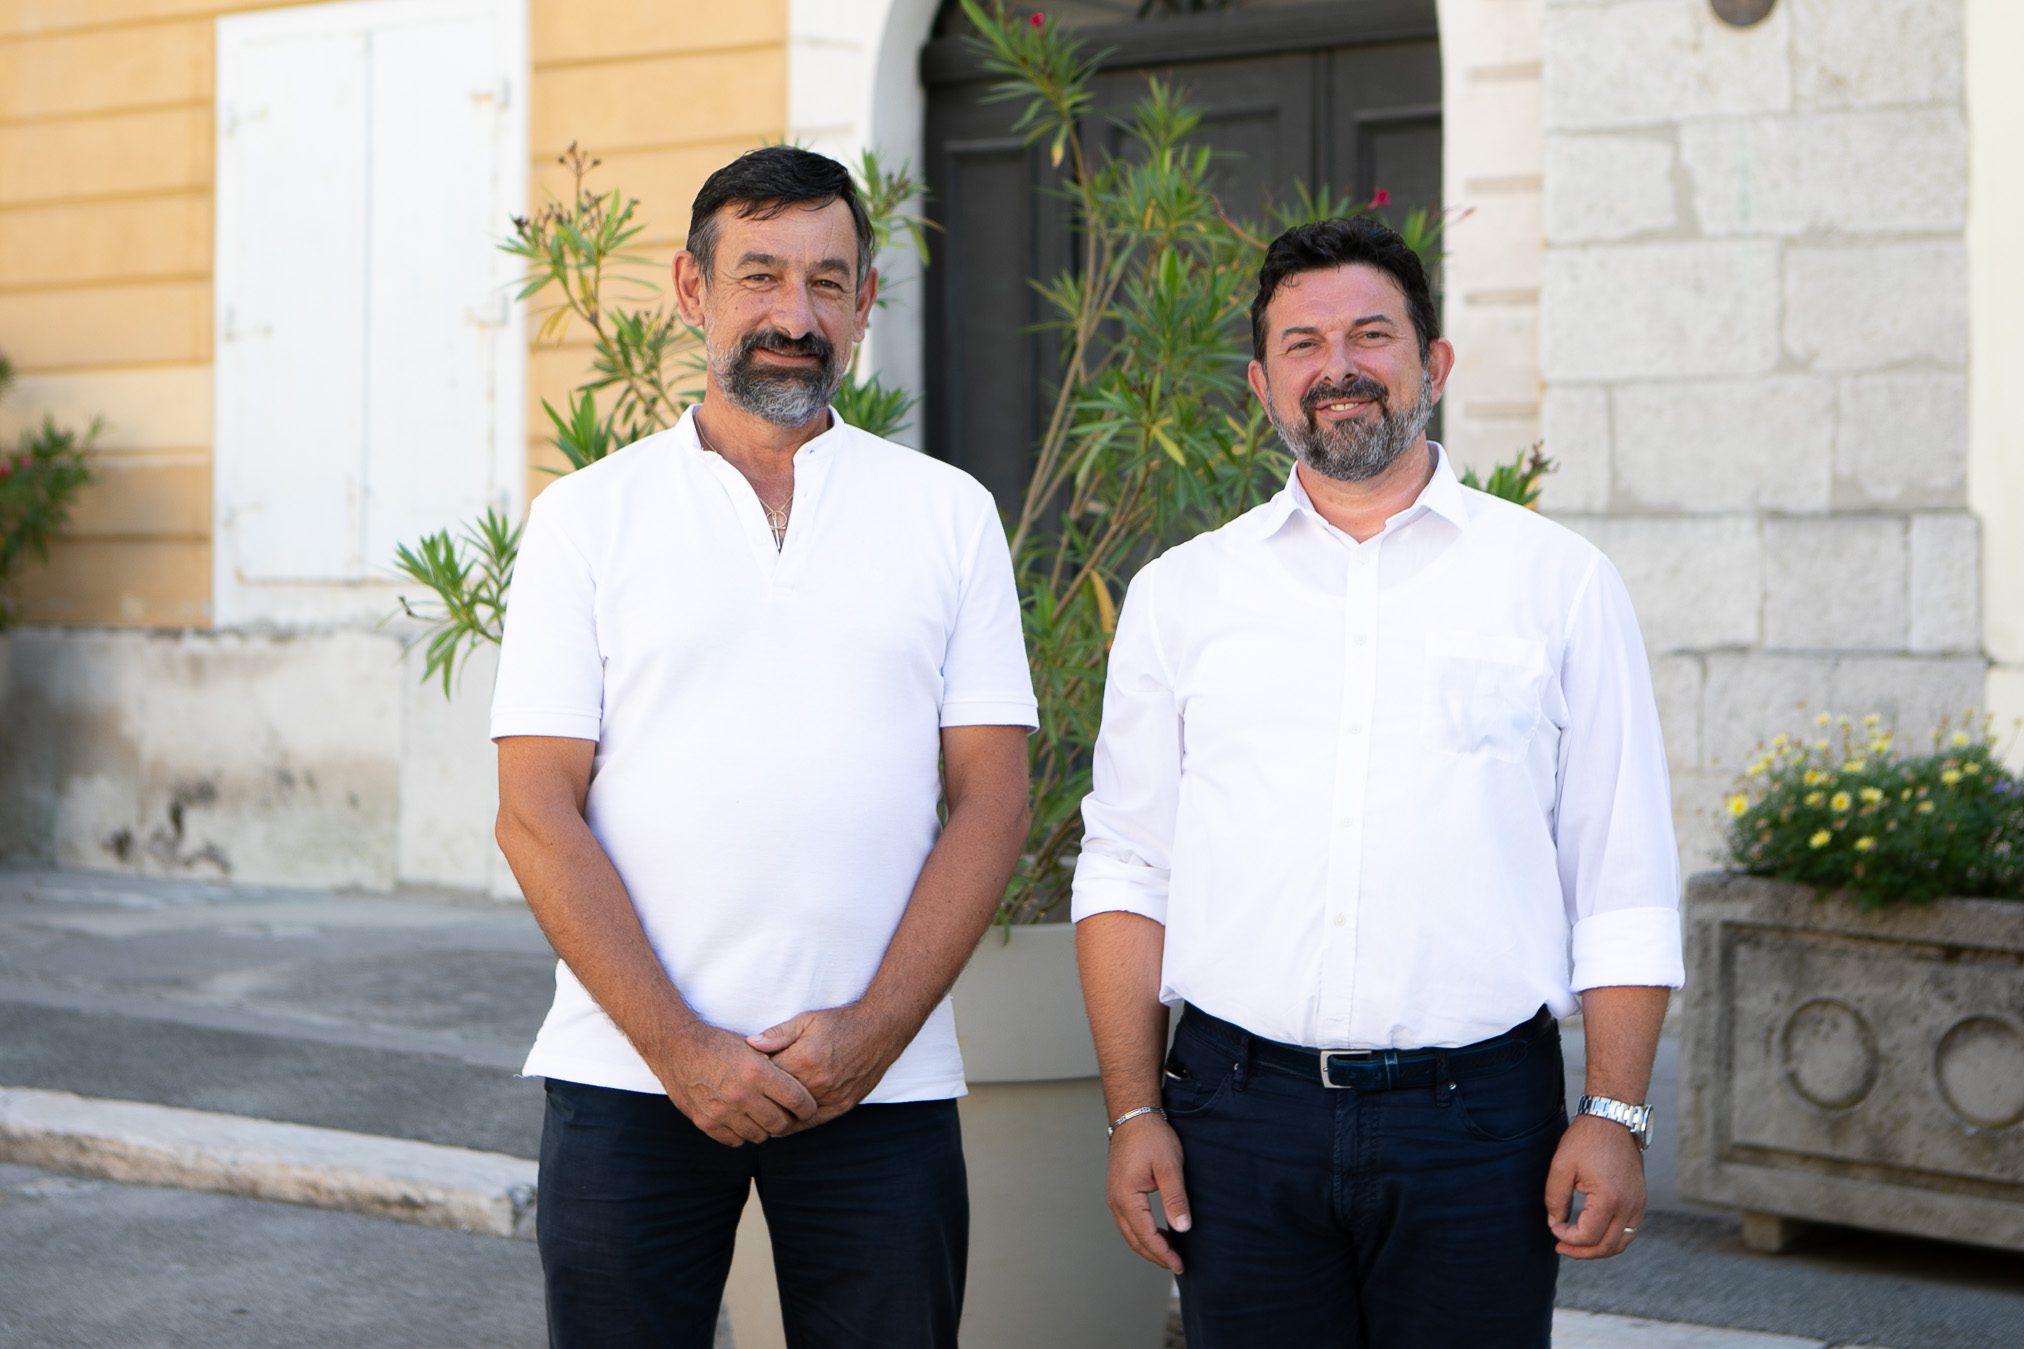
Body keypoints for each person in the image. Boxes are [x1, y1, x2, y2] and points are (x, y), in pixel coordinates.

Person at [1071, 215, 1683, 1348]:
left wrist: (1613, 1112)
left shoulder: (1558, 584)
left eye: (1371, 334)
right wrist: (1131, 1108)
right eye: (1301, 344)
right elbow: (1126, 867)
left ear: (1432, 363)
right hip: (1236, 1117)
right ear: (1261, 383)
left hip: (1479, 1123)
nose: (1338, 367)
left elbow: (1623, 875)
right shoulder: (1180, 596)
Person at [490, 145, 1036, 1349]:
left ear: (864, 302)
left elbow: (993, 799)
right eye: (760, 276)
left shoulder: (948, 514)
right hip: (628, 1071)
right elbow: (533, 807)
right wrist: (682, 1049)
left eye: (827, 281)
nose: (795, 315)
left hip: (879, 1079)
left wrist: (871, 1034)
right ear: (692, 289)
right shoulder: (585, 518)